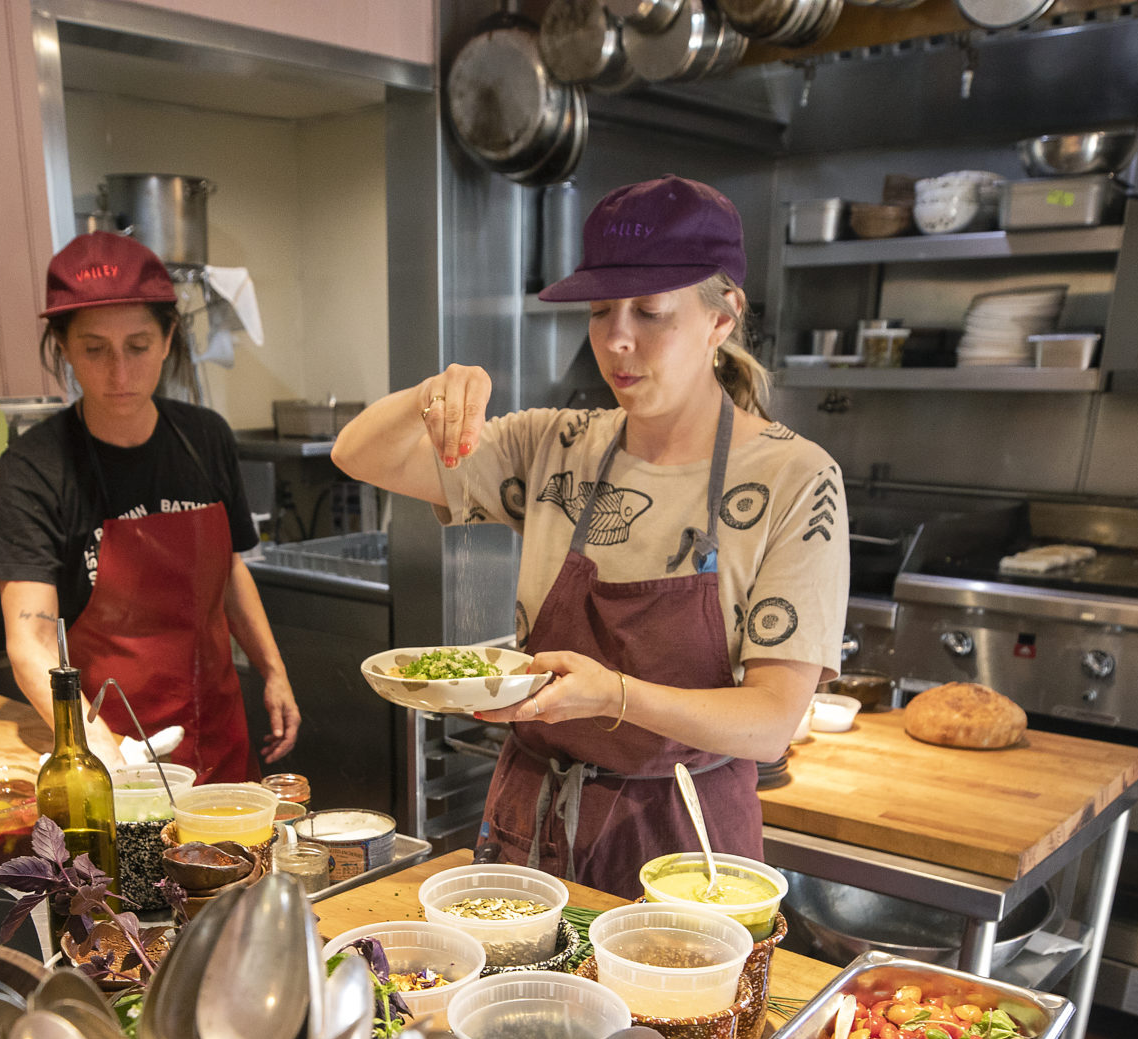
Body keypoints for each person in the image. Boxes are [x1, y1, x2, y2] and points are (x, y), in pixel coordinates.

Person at [332, 176, 849, 894]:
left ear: (722, 317)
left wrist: (615, 695)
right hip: (531, 829)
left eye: (650, 311)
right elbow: (357, 454)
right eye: (601, 309)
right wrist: (430, 395)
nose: (617, 338)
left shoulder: (796, 478)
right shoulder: (556, 445)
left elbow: (770, 723)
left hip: (685, 848)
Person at [0, 231, 300, 782]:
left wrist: (274, 670)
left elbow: (227, 569)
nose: (120, 373)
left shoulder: (206, 438)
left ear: (167, 336)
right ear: (62, 344)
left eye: (138, 346)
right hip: (108, 744)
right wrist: (102, 752)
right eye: (94, 349)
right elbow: (30, 641)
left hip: (219, 732)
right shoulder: (35, 468)